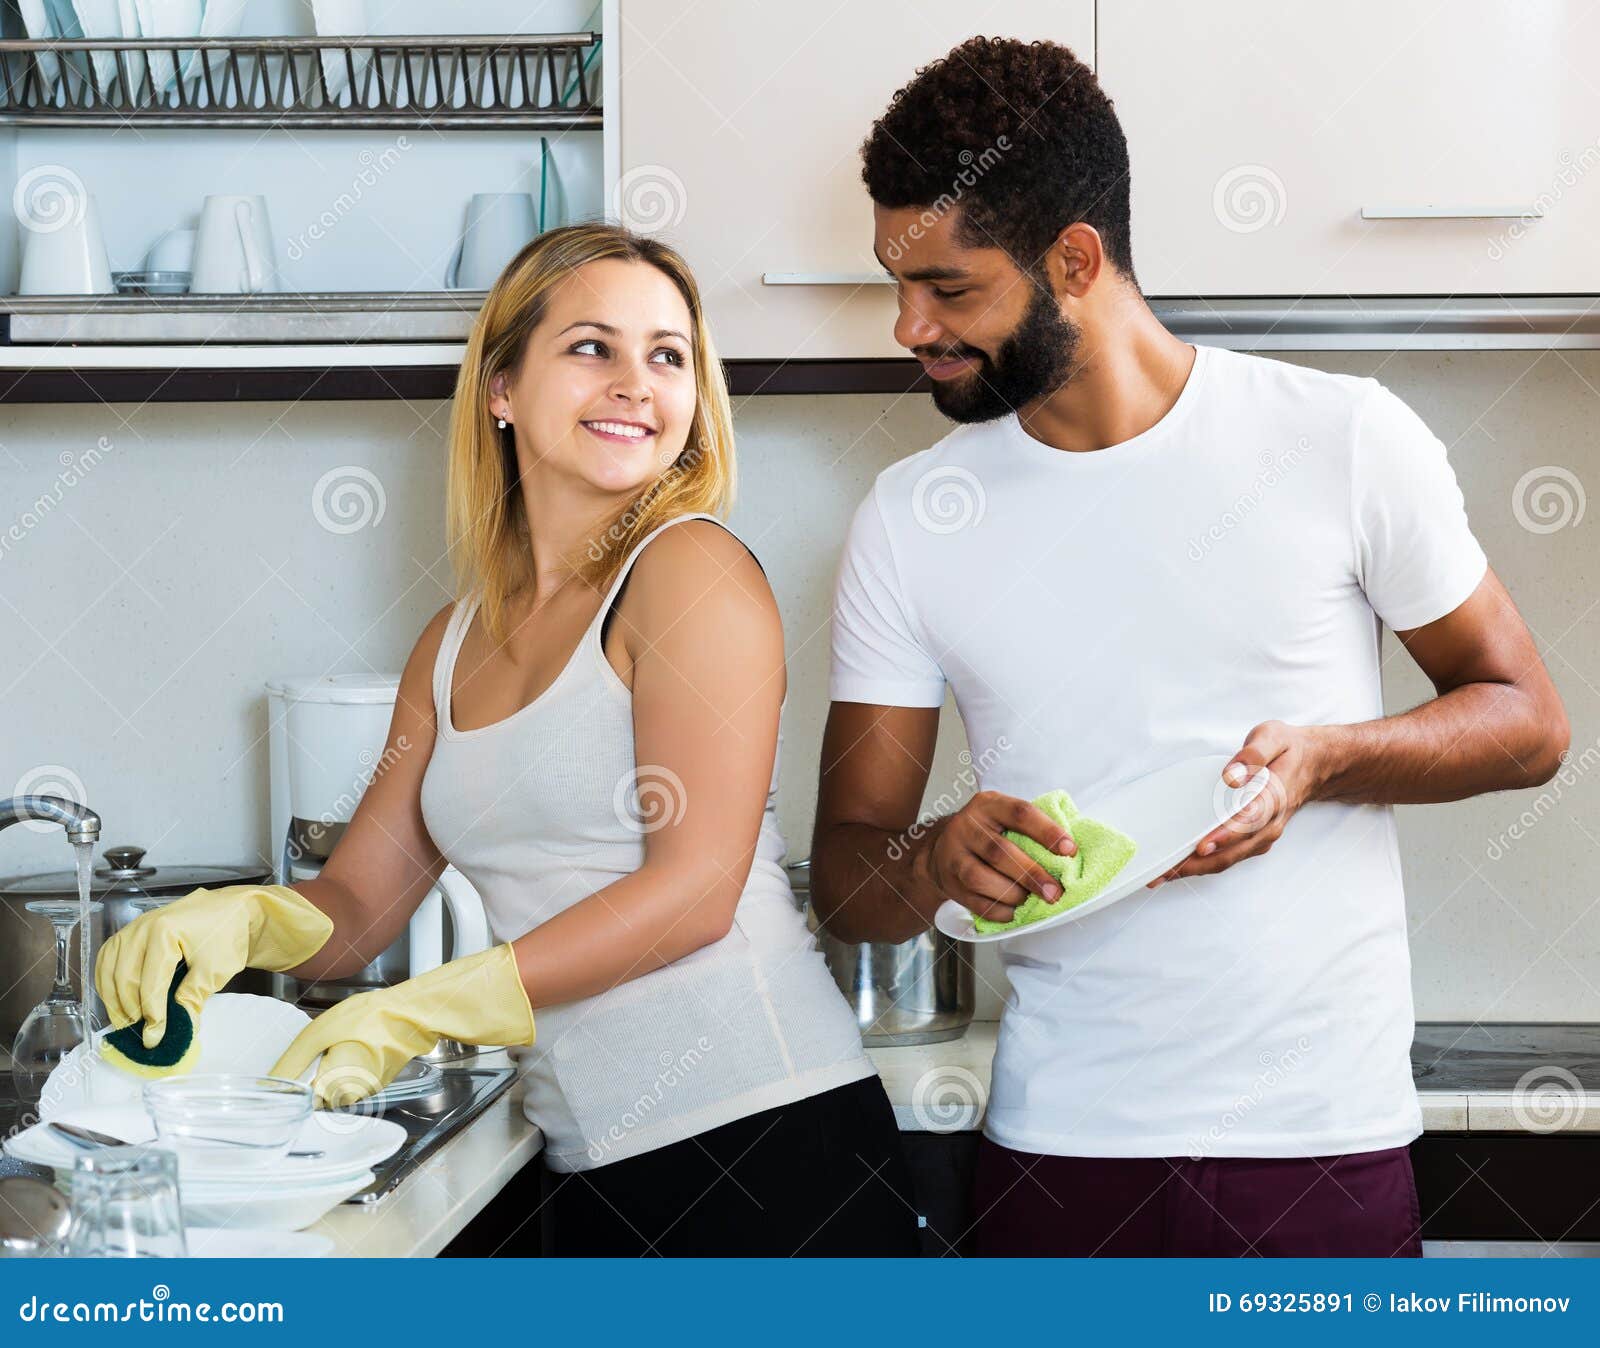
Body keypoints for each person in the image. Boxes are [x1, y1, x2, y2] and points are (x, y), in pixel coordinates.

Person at [808, 36, 1570, 1257]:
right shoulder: (911, 517)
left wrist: (1325, 758)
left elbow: (1526, 721)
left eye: (949, 289)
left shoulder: (1339, 439)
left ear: (1074, 258)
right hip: (1057, 1155)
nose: (907, 326)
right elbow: (851, 879)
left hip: (1319, 1144)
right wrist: (937, 859)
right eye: (897, 285)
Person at [96, 222, 919, 1258]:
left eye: (667, 355)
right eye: (591, 347)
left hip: (770, 1150)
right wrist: (233, 921)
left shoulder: (688, 572)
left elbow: (696, 890)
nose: (636, 383)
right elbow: (357, 906)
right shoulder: (450, 645)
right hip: (591, 1163)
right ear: (500, 389)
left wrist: (425, 1008)